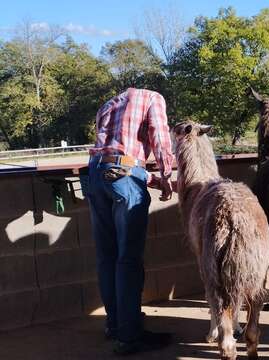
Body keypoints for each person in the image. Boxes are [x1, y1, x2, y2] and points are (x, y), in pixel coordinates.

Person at [86, 88, 175, 355]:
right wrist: (167, 174)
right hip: (123, 179)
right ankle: (129, 336)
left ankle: (115, 325)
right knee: (128, 259)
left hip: (96, 174)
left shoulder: (109, 103)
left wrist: (147, 178)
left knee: (106, 256)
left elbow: (116, 159)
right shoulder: (152, 98)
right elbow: (159, 136)